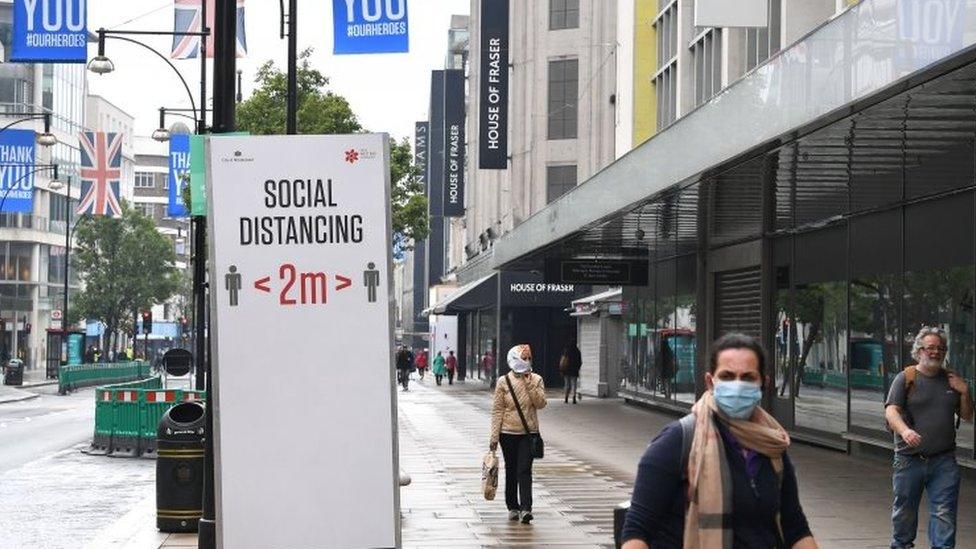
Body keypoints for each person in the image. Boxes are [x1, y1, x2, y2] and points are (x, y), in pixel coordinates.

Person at [622, 333, 818, 549]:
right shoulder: (678, 440)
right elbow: (636, 531)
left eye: (747, 377)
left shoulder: (772, 445)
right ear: (710, 382)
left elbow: (795, 528)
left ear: (764, 383)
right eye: (727, 376)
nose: (737, 385)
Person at [885, 326, 973, 549]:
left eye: (940, 348)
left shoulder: (952, 380)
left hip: (944, 460)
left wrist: (964, 392)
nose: (936, 352)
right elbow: (891, 411)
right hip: (909, 459)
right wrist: (905, 431)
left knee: (944, 514)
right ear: (919, 351)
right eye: (930, 348)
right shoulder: (906, 378)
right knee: (904, 513)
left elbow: (967, 415)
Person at [489, 344, 547, 525]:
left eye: (529, 358)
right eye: (524, 358)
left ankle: (526, 509)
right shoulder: (503, 382)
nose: (528, 361)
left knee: (524, 470)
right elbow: (497, 410)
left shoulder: (536, 379)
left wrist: (529, 384)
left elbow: (540, 403)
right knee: (512, 469)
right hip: (507, 433)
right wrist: (494, 437)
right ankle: (512, 506)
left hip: (528, 433)